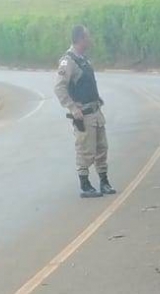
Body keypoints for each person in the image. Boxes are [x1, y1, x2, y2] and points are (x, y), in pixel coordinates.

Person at [54, 25, 116, 198]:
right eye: (87, 37)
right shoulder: (69, 61)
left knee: (101, 148)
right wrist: (73, 108)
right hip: (84, 114)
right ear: (80, 39)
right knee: (85, 149)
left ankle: (104, 181)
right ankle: (85, 184)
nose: (90, 39)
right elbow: (59, 87)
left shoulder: (84, 60)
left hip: (95, 111)